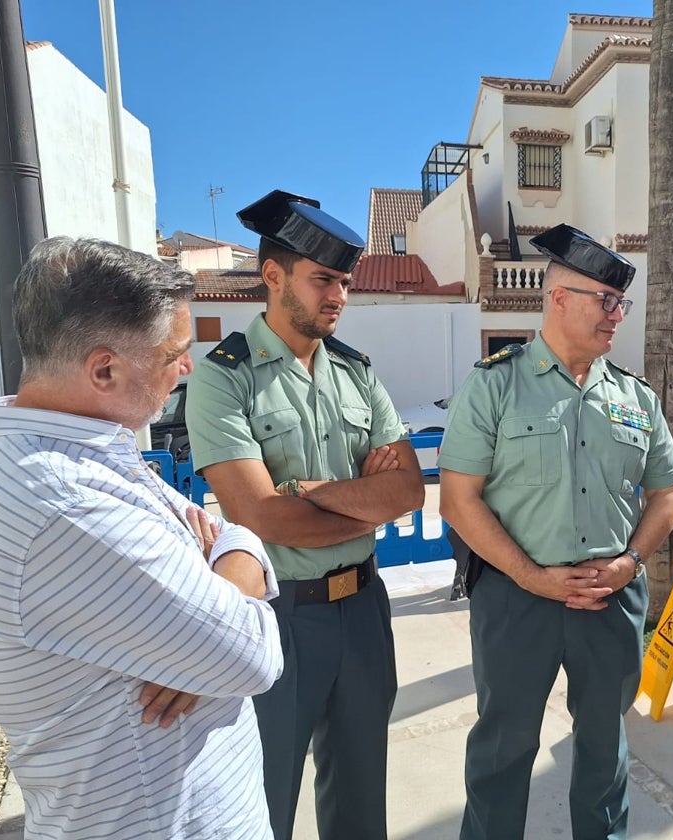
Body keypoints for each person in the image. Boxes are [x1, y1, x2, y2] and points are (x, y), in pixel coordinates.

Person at [0, 237, 283, 840]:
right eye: (175, 352)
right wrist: (210, 629)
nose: (187, 368)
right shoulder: (64, 501)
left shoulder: (77, 450)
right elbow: (252, 655)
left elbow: (233, 535)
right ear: (104, 369)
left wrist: (207, 604)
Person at [185, 189, 424, 840]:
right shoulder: (225, 377)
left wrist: (313, 492)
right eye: (323, 279)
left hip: (363, 612)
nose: (338, 295)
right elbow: (264, 519)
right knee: (266, 804)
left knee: (359, 802)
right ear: (273, 276)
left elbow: (408, 491)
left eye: (344, 282)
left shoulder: (357, 373)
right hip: (279, 617)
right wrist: (360, 504)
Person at [438, 223, 673, 840]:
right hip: (517, 598)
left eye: (620, 303)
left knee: (606, 749)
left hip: (610, 600)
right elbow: (457, 500)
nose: (616, 316)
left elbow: (670, 494)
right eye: (606, 301)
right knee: (503, 747)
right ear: (559, 299)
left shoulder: (635, 396)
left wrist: (632, 561)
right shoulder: (494, 383)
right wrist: (532, 577)